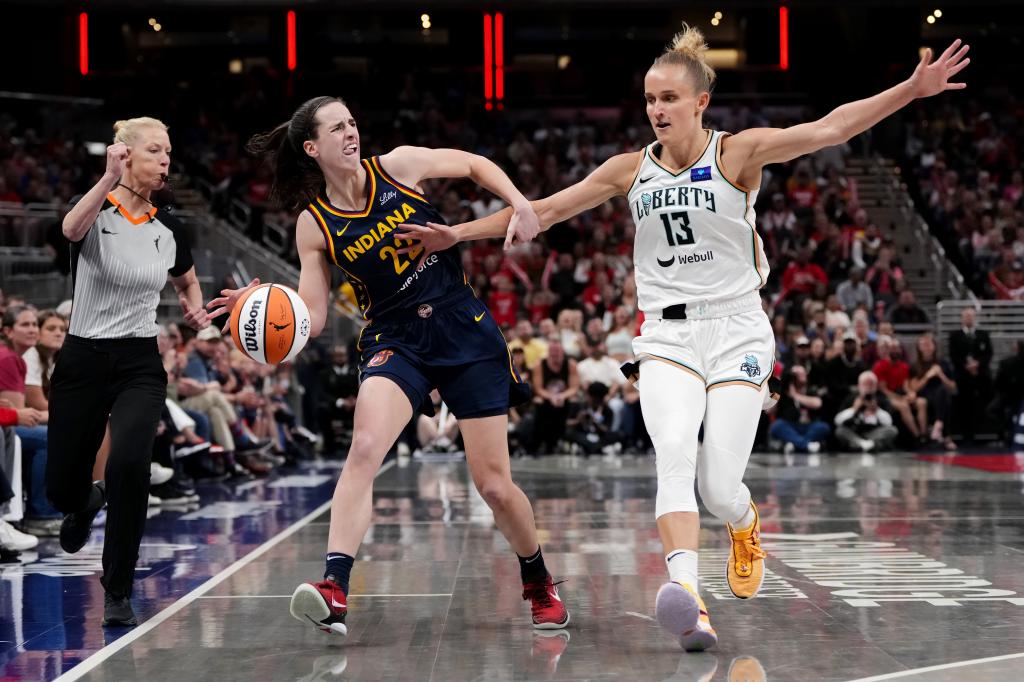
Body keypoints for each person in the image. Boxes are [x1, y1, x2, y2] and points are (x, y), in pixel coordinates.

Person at [398, 26, 970, 650]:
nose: (656, 110)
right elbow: (543, 210)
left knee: (719, 489)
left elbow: (829, 129)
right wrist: (458, 233)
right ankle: (689, 600)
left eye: (669, 98)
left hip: (736, 329)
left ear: (700, 102)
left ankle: (744, 521)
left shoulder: (737, 154)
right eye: (649, 99)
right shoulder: (628, 169)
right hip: (665, 337)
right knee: (672, 450)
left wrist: (911, 91)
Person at [208, 96, 569, 636]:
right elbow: (309, 313)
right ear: (313, 148)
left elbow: (472, 165)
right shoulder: (314, 225)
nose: (351, 133)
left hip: (460, 326)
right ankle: (334, 586)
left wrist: (519, 202)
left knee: (493, 485)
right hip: (394, 339)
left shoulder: (399, 166)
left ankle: (537, 577)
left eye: (353, 122)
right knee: (364, 447)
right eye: (337, 128)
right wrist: (262, 305)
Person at [46, 116, 211, 627]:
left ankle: (117, 587)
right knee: (61, 488)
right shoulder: (96, 210)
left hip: (139, 361)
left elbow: (186, 281)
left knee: (130, 465)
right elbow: (69, 230)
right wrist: (106, 180)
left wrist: (196, 310)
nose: (166, 160)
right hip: (82, 358)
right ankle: (82, 502)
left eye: (168, 151)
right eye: (155, 151)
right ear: (126, 155)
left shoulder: (170, 228)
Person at [948, 307, 993, 444]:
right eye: (966, 316)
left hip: (981, 375)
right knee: (964, 405)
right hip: (963, 376)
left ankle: (986, 433)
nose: (968, 318)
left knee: (984, 403)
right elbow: (953, 355)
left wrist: (977, 364)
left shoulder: (983, 334)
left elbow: (989, 353)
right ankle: (967, 435)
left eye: (971, 316)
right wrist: (967, 366)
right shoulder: (955, 335)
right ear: (962, 318)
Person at [769, 365, 829, 454]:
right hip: (790, 425)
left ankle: (795, 443)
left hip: (808, 426)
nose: (802, 376)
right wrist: (776, 390)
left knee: (823, 427)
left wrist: (795, 396)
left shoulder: (810, 389)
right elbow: (770, 411)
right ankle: (807, 445)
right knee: (777, 426)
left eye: (803, 373)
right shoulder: (783, 391)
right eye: (798, 374)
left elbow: (817, 403)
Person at [835, 371, 899, 452]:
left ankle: (861, 445)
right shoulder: (851, 398)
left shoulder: (881, 399)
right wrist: (853, 409)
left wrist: (877, 410)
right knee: (840, 431)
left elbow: (889, 422)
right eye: (865, 384)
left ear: (876, 386)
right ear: (859, 386)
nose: (868, 387)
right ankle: (867, 445)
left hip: (874, 433)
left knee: (892, 430)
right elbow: (838, 421)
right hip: (855, 433)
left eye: (871, 384)